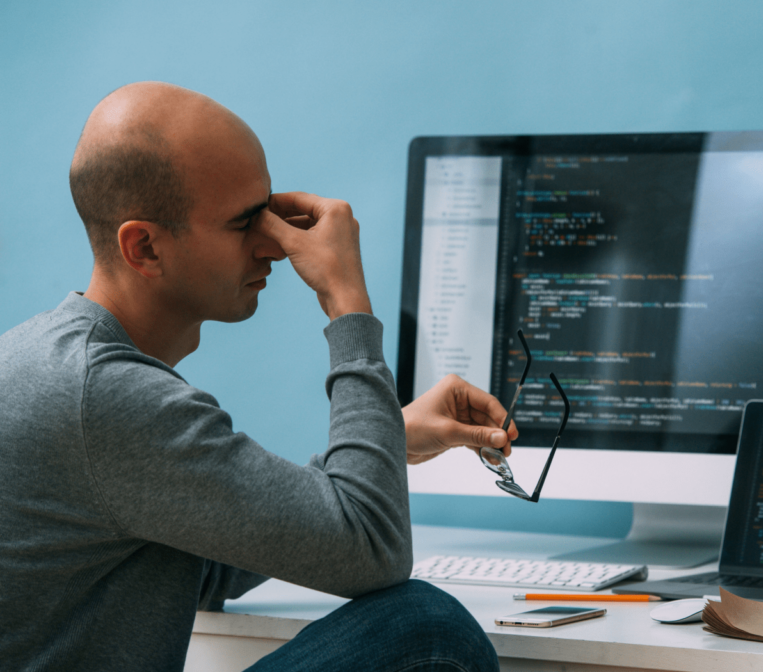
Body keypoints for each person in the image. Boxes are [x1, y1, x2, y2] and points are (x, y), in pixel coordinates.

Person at [0, 82, 518, 671]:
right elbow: (373, 548)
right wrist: (346, 301)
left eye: (269, 212)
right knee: (426, 626)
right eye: (245, 221)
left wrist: (389, 439)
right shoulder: (106, 397)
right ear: (144, 246)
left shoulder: (51, 365)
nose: (273, 244)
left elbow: (205, 555)